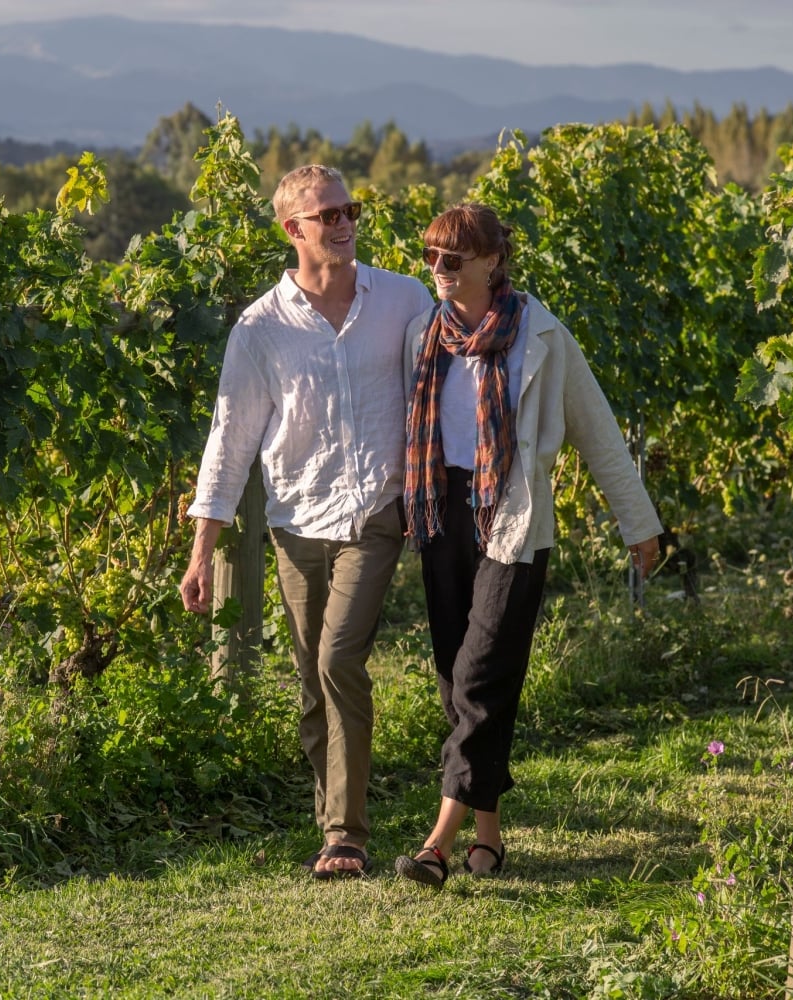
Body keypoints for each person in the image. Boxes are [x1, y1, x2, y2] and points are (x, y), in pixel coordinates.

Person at [393, 203, 662, 888]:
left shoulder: (540, 337)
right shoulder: (425, 333)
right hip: (441, 513)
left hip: (510, 518)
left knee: (482, 676)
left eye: (451, 259)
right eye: (429, 258)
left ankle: (437, 844)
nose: (438, 271)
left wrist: (640, 524)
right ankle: (490, 840)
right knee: (460, 681)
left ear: (491, 261)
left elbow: (597, 432)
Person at [180, 164, 432, 879]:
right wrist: (202, 551)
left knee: (336, 660)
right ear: (292, 229)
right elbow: (230, 442)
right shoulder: (260, 329)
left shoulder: (404, 300)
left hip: (376, 513)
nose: (345, 222)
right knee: (310, 682)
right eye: (327, 214)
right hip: (295, 524)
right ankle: (333, 825)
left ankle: (347, 833)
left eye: (349, 209)